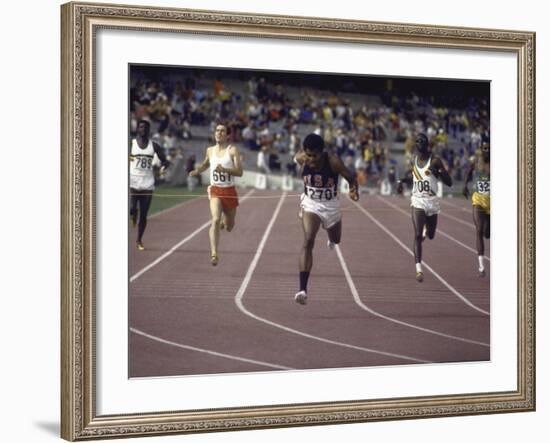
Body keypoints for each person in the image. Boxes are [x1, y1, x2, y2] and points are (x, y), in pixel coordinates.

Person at [293, 133, 359, 305]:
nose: (311, 159)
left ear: (322, 153)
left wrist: (354, 191)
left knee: (336, 239)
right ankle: (302, 289)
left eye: (314, 155)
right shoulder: (302, 158)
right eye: (308, 155)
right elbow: (298, 159)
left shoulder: (333, 162)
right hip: (311, 204)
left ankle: (331, 238)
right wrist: (302, 165)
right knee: (308, 240)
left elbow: (351, 178)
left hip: (331, 206)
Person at [397, 133, 453, 282]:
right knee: (416, 235)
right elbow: (412, 177)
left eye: (422, 143)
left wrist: (439, 173)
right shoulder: (414, 161)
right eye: (417, 143)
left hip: (432, 202)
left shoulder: (435, 161)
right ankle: (419, 269)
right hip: (418, 201)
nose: (419, 146)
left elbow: (450, 182)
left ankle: (427, 230)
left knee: (431, 235)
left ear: (427, 145)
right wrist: (400, 181)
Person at [189, 124, 243, 266]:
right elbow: (206, 164)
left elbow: (239, 172)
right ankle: (214, 253)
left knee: (229, 227)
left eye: (222, 131)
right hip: (215, 190)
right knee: (215, 219)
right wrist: (197, 171)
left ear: (228, 135)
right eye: (217, 131)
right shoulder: (210, 150)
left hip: (229, 192)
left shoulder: (232, 151)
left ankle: (226, 221)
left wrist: (225, 170)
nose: (219, 133)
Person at [129, 119, 170, 251]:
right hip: (134, 182)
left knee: (144, 214)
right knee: (132, 209)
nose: (143, 129)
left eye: (145, 128)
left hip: (148, 183)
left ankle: (139, 240)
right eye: (141, 127)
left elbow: (165, 161)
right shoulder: (131, 144)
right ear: (138, 129)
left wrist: (163, 168)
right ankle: (133, 214)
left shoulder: (154, 146)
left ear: (149, 130)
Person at [462, 141, 490, 277]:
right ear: (481, 149)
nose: (487, 150)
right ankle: (481, 265)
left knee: (487, 233)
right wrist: (465, 186)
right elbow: (468, 173)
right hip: (478, 200)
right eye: (485, 148)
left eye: (489, 148)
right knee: (479, 230)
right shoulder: (476, 162)